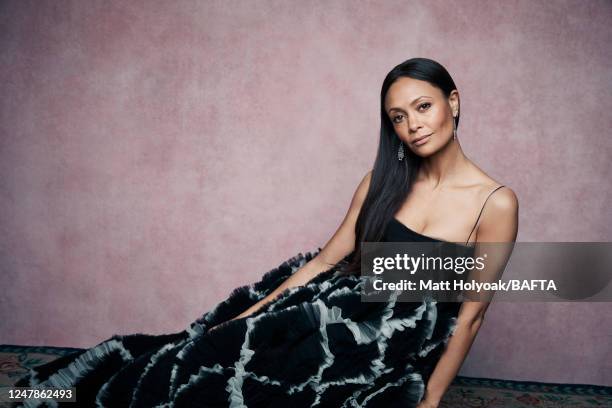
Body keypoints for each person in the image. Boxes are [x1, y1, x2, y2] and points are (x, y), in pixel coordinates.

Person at [14, 57, 518, 408]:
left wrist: (429, 400)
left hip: (383, 347)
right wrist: (249, 315)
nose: (413, 125)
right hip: (325, 311)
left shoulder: (494, 203)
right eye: (399, 117)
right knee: (190, 355)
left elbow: (470, 317)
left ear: (452, 101)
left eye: (423, 107)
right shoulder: (381, 181)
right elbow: (326, 262)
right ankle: (39, 394)